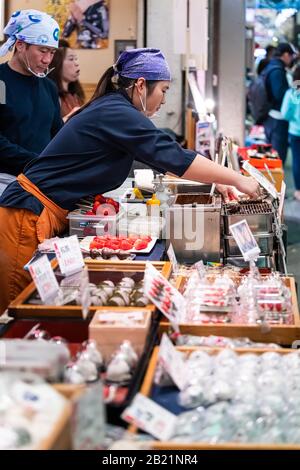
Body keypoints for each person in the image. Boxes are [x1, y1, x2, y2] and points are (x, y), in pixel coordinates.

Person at [0, 48, 260, 314]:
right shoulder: (116, 111)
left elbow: (164, 160)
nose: (163, 100)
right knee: (16, 309)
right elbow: (173, 155)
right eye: (164, 90)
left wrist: (220, 180)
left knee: (35, 308)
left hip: (42, 213)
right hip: (26, 215)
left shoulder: (116, 109)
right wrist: (238, 179)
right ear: (140, 85)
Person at [0, 9, 63, 195]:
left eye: (52, 52)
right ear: (20, 45)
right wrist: (36, 160)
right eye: (42, 51)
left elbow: (57, 134)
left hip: (42, 179)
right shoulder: (1, 82)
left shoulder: (49, 87)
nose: (47, 60)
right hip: (6, 179)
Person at [262, 43, 295, 163]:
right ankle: (275, 182)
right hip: (277, 118)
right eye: (291, 56)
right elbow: (280, 95)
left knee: (274, 156)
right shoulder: (278, 71)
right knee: (278, 158)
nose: (291, 59)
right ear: (286, 55)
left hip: (271, 117)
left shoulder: (271, 67)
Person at [48, 39, 85, 118]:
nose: (76, 63)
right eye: (71, 59)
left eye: (76, 59)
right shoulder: (50, 95)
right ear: (57, 63)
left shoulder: (75, 94)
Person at [281, 65, 300, 201]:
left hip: (295, 131)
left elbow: (285, 113)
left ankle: (299, 191)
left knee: (297, 160)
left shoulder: (292, 93)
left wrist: (294, 118)